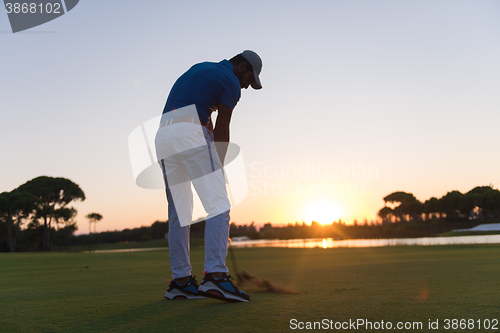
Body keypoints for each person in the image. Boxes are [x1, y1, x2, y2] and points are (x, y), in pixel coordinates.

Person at [154, 50, 262, 302]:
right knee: (219, 205)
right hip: (188, 133)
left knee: (180, 213)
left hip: (163, 136)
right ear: (241, 65)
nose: (245, 86)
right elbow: (223, 124)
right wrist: (220, 163)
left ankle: (180, 282)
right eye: (249, 78)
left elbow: (207, 121)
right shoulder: (231, 82)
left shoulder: (202, 68)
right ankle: (215, 276)